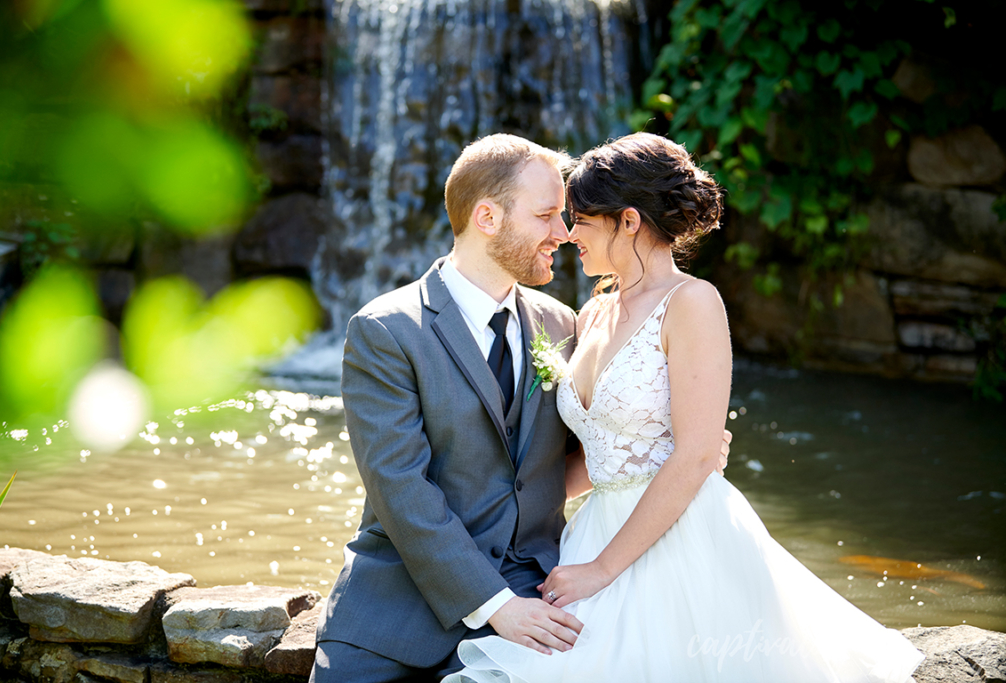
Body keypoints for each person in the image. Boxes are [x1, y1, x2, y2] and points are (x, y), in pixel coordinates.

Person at [444, 133, 926, 682]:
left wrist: (601, 572)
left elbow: (695, 455)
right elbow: (595, 456)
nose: (567, 232)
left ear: (627, 221)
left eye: (580, 218)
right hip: (593, 532)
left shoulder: (692, 303)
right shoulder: (590, 315)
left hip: (680, 540)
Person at [311, 132, 734, 682]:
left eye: (569, 217)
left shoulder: (562, 323)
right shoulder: (386, 331)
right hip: (401, 606)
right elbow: (400, 490)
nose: (563, 233)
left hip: (543, 595)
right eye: (547, 215)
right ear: (487, 218)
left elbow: (580, 457)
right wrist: (495, 606)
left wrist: (682, 452)